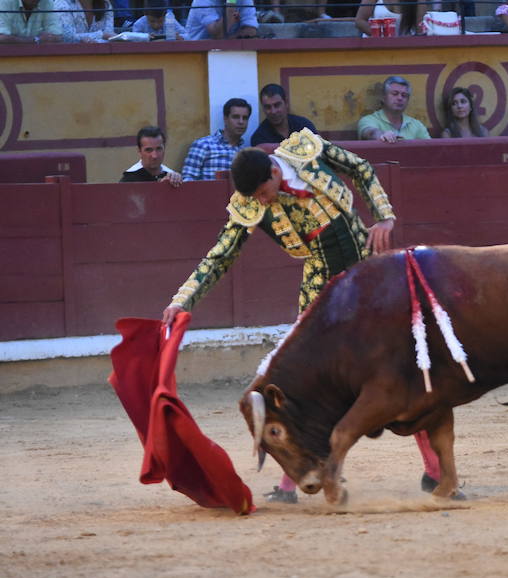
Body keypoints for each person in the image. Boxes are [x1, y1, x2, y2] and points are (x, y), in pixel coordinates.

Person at [161, 129, 442, 503]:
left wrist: (385, 216)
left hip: (369, 268)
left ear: (275, 173)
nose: (262, 202)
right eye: (256, 199)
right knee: (303, 383)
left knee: (403, 364)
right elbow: (220, 255)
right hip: (321, 285)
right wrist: (183, 300)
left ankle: (436, 472)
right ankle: (290, 482)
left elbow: (359, 168)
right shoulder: (251, 205)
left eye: (264, 192)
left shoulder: (305, 150)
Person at [182, 98, 251, 181]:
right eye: (236, 117)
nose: (241, 122)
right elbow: (187, 180)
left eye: (245, 118)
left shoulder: (247, 153)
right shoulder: (203, 145)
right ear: (225, 119)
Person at [358, 76, 431, 143]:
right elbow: (370, 133)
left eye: (404, 95)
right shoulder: (369, 120)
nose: (400, 98)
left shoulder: (416, 125)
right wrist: (382, 135)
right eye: (395, 94)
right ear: (384, 97)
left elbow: (430, 148)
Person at [250, 83, 317, 146]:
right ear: (263, 108)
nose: (273, 111)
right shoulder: (259, 138)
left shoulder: (304, 126)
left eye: (277, 105)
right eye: (268, 107)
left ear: (286, 103)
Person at [119, 126, 184, 187]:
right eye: (148, 150)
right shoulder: (128, 180)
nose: (154, 156)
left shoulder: (172, 177)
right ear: (139, 151)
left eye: (159, 149)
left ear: (164, 149)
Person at [185, 0, 258, 40]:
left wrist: (228, 40)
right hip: (197, 53)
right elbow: (219, 35)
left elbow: (251, 31)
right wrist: (231, 4)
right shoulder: (201, 1)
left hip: (231, 52)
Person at [354, 0, 424, 36]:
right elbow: (360, 21)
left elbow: (420, 27)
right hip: (375, 45)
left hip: (406, 46)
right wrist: (381, 37)